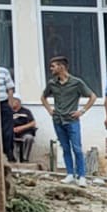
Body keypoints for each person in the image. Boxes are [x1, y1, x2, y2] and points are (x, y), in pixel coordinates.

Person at [40, 56, 97, 186]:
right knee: (65, 148)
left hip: (72, 120)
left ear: (61, 67)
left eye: (53, 66)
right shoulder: (52, 83)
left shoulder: (76, 82)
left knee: (77, 148)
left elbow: (92, 96)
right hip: (58, 119)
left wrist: (81, 111)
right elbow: (43, 97)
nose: (51, 69)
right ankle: (70, 174)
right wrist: (49, 109)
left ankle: (81, 176)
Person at [0, 66, 15, 161]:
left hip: (3, 103)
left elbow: (10, 88)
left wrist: (10, 104)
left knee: (7, 131)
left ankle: (8, 153)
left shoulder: (3, 71)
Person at [10, 97, 36, 163]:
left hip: (24, 132)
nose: (11, 102)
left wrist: (21, 128)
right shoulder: (8, 111)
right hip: (11, 133)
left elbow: (33, 123)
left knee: (29, 138)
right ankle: (12, 159)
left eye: (13, 100)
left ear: (18, 102)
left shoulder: (26, 111)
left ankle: (25, 159)